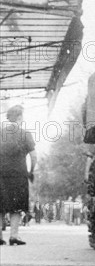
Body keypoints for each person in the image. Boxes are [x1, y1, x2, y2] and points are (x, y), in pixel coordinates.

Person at [0, 105, 37, 245]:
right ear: (20, 117)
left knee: (0, 205)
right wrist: (31, 171)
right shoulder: (25, 134)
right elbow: (34, 156)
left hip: (1, 174)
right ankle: (14, 236)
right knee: (16, 206)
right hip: (19, 174)